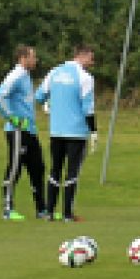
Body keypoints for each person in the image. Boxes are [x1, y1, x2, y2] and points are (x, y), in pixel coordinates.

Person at [35, 44, 95, 222]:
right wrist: (94, 130)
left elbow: (39, 96)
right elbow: (88, 109)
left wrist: (48, 105)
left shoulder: (54, 72)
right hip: (76, 132)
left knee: (55, 170)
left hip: (56, 131)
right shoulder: (85, 77)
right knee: (72, 172)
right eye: (91, 57)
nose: (93, 61)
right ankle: (67, 213)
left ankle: (50, 212)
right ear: (81, 56)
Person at [0, 45, 45, 221]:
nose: (35, 60)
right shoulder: (16, 75)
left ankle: (41, 209)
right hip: (17, 130)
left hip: (30, 130)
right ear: (23, 58)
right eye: (33, 57)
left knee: (38, 167)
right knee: (15, 168)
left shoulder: (26, 76)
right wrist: (11, 117)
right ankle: (7, 209)